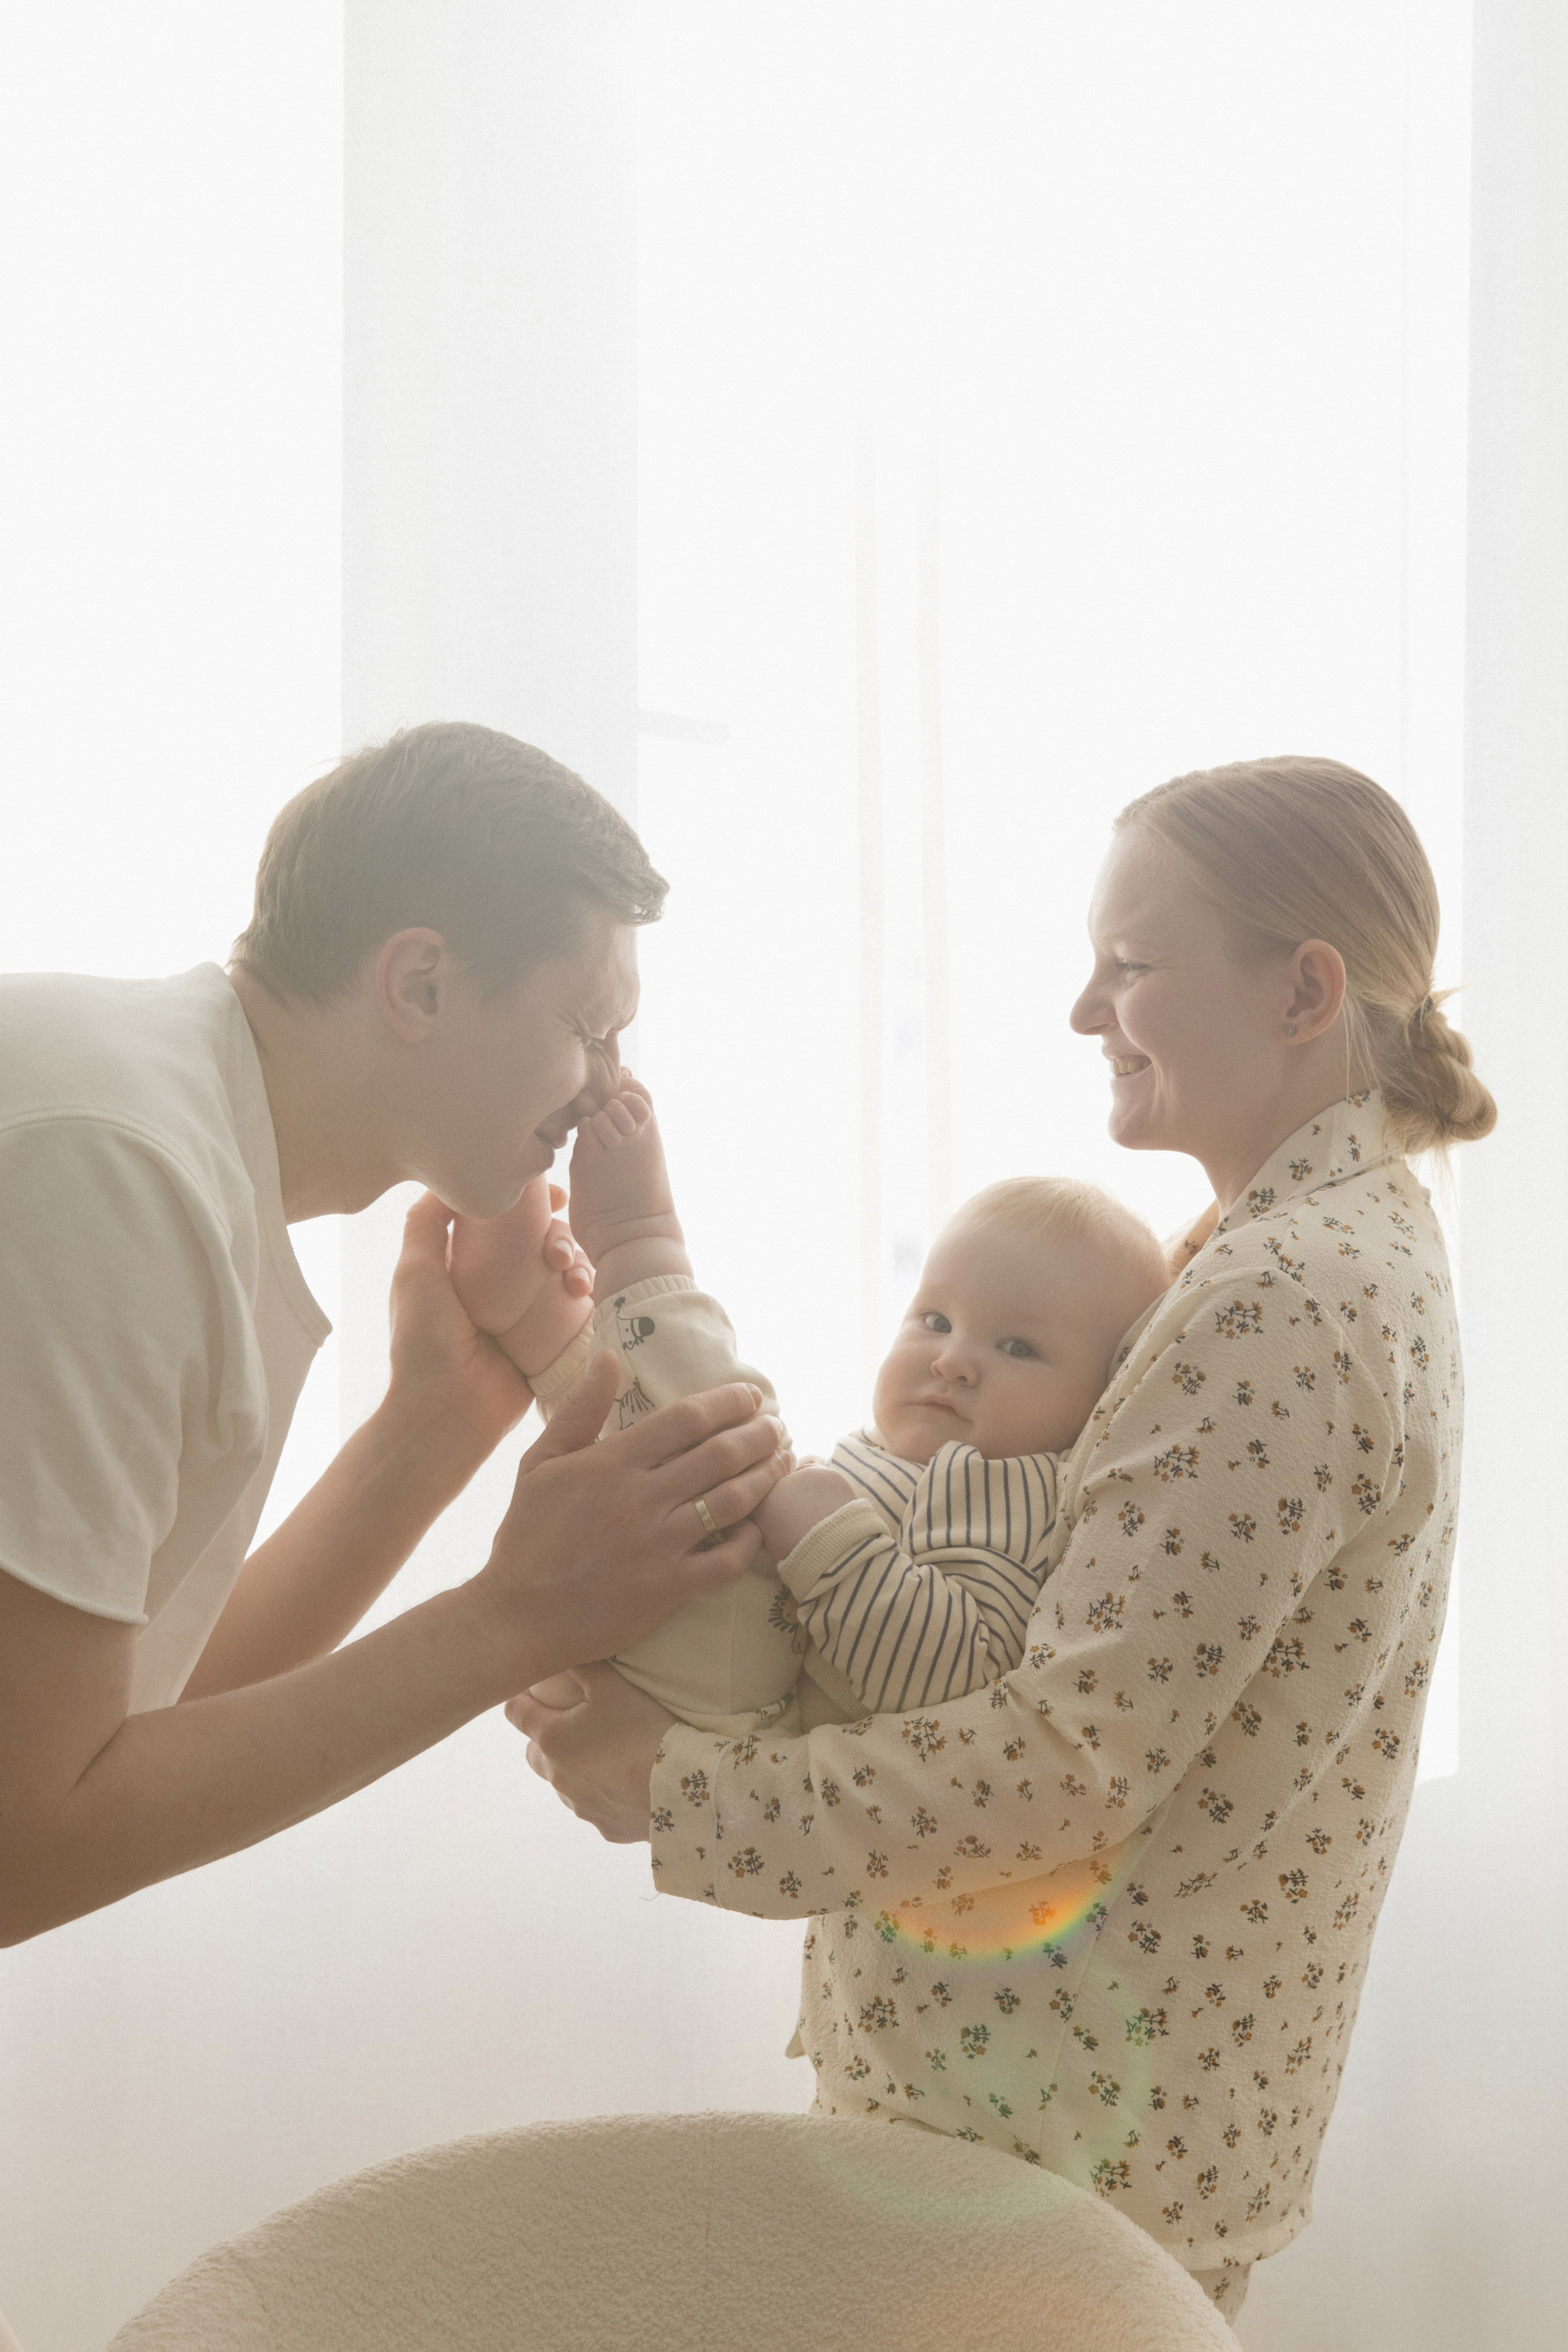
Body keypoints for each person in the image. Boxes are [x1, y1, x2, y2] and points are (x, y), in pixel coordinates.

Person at [513, 755, 1496, 2320]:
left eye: (1129, 964)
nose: (1080, 1008)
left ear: (1303, 988)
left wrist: (683, 1791)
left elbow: (1068, 1759)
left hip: (1048, 2143)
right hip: (1069, 2121)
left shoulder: (1281, 1297)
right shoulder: (1320, 1250)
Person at [0, 720, 790, 1951]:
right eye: (588, 1021)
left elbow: (133, 1721)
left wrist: (436, 1423)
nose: (607, 1085)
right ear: (417, 983)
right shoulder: (116, 1167)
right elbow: (25, 1843)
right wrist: (516, 1616)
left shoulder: (169, 1137)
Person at [453, 1080, 1169, 1732]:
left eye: (1017, 1348)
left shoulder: (1014, 1490)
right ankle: (547, 1332)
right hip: (643, 1637)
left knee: (729, 1433)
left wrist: (826, 1534)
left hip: (745, 1687)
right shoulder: (896, 1458)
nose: (950, 1361)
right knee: (680, 1456)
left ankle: (634, 1246)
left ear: (1102, 1400)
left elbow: (948, 1683)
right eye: (935, 1321)